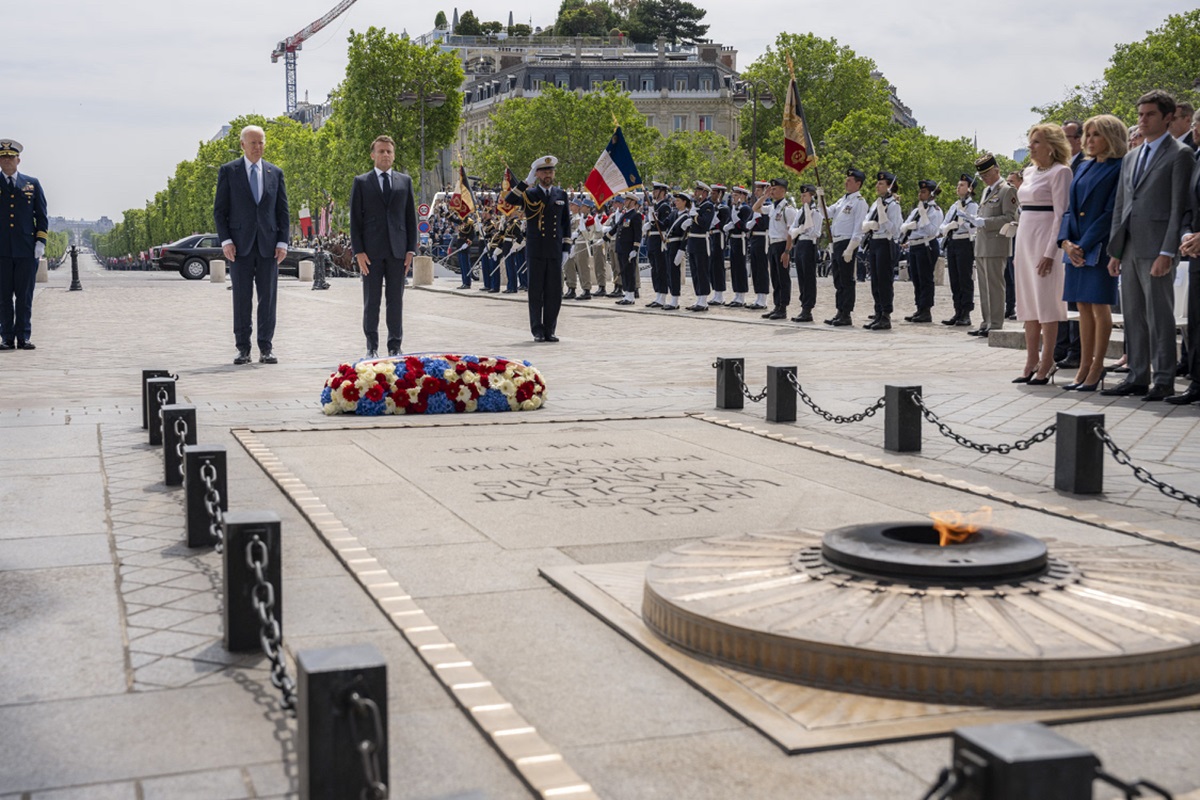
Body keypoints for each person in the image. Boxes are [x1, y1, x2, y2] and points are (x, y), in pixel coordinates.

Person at [1103, 90, 1195, 400]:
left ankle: (1164, 379)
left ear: (1168, 117)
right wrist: (1116, 250)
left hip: (1158, 249)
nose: (1142, 120)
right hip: (1128, 249)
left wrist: (1168, 251)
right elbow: (1120, 206)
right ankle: (1138, 376)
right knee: (1133, 316)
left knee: (1159, 317)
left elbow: (1178, 206)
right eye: (1140, 114)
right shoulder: (1131, 156)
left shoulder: (1180, 154)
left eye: (1150, 114)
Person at [1057, 114, 1126, 391]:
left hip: (1099, 246)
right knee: (1082, 306)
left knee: (1099, 306)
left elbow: (1111, 213)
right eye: (1088, 134)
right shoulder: (1083, 167)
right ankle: (1084, 366)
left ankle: (1097, 367)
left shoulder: (1119, 167)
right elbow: (1069, 209)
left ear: (1111, 137)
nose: (1089, 140)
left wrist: (1083, 244)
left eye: (1096, 134)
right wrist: (1065, 241)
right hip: (1075, 247)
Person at [213, 125, 290, 365]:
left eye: (261, 142)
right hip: (239, 247)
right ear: (242, 145)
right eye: (253, 143)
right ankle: (243, 348)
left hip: (269, 246)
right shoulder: (229, 171)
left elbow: (282, 211)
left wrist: (282, 242)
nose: (258, 147)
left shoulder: (275, 173)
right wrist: (225, 240)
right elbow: (220, 210)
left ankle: (266, 347)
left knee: (268, 299)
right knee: (241, 298)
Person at [1011, 124, 1072, 385]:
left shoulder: (1061, 172)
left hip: (1045, 240)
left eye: (1037, 142)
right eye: (1030, 141)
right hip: (1025, 237)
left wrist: (1051, 251)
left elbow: (1061, 214)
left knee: (1046, 303)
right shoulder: (1028, 171)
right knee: (1027, 303)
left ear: (1052, 145)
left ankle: (1047, 361)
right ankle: (1030, 360)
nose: (1031, 146)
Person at [350, 135, 417, 358]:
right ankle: (371, 346)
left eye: (389, 151)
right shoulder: (361, 182)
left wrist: (410, 250)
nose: (385, 155)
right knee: (372, 301)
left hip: (398, 252)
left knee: (395, 301)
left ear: (393, 155)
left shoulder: (404, 181)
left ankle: (395, 345)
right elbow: (355, 220)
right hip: (371, 253)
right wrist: (358, 251)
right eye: (381, 151)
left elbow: (410, 219)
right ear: (373, 155)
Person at [505, 155, 570, 342]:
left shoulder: (561, 194)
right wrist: (526, 182)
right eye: (544, 172)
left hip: (555, 249)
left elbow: (565, 223)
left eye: (551, 172)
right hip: (536, 249)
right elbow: (510, 199)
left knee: (554, 292)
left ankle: (550, 329)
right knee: (536, 291)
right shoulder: (530, 194)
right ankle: (537, 330)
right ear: (538, 174)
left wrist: (566, 247)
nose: (548, 175)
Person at [0, 139, 47, 351]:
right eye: (3, 157)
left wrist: (40, 242)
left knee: (24, 296)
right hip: (1, 251)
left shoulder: (32, 184)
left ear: (18, 160)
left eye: (10, 157)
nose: (7, 160)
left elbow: (41, 216)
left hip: (26, 250)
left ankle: (24, 337)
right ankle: (7, 338)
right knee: (3, 297)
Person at [967, 153, 1019, 338]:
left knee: (995, 285)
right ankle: (986, 322)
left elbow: (1010, 217)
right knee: (984, 286)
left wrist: (985, 222)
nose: (984, 179)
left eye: (987, 175)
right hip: (982, 244)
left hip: (997, 243)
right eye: (982, 176)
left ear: (997, 170)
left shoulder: (1007, 190)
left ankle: (995, 323)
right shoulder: (986, 191)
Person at [1170, 146, 1200, 405]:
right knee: (1197, 322)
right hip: (1196, 255)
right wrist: (1187, 234)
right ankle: (1197, 383)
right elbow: (1189, 207)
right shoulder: (1197, 158)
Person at [825, 168, 869, 326]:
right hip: (837, 242)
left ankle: (846, 313)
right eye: (846, 179)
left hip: (847, 243)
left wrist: (851, 248)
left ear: (858, 184)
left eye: (850, 180)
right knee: (838, 279)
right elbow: (826, 213)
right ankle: (839, 310)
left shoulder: (860, 202)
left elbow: (859, 228)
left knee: (847, 280)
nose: (846, 182)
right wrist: (819, 198)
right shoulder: (842, 200)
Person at [861, 172, 903, 330]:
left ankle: (886, 315)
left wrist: (883, 220)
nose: (877, 186)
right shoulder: (877, 202)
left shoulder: (893, 205)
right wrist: (869, 224)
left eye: (881, 183)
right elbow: (867, 220)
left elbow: (895, 229)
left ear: (889, 186)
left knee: (885, 281)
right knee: (875, 280)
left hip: (886, 242)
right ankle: (878, 312)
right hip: (875, 242)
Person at [900, 179, 944, 324]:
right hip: (914, 245)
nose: (920, 194)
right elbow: (904, 225)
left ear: (931, 194)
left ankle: (926, 310)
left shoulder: (935, 210)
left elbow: (932, 230)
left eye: (923, 192)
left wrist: (921, 219)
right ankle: (919, 307)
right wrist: (910, 226)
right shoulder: (916, 210)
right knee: (916, 279)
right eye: (920, 191)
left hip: (926, 245)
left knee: (925, 279)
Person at [938, 175, 978, 327]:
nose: (958, 187)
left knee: (964, 278)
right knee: (954, 279)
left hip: (964, 242)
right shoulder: (954, 206)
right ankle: (957, 310)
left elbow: (974, 226)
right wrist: (948, 227)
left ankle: (966, 313)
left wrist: (963, 221)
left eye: (962, 185)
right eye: (958, 184)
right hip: (952, 242)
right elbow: (943, 225)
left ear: (970, 188)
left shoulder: (972, 206)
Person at [756, 178, 798, 320]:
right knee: (774, 277)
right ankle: (776, 305)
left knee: (783, 278)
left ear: (783, 191)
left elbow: (790, 233)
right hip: (772, 244)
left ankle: (783, 307)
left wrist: (787, 251)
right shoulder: (773, 207)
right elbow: (755, 208)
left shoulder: (788, 210)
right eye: (771, 189)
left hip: (782, 245)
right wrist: (764, 196)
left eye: (774, 189)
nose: (772, 191)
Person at [788, 184, 823, 322]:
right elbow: (792, 228)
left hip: (809, 244)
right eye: (801, 195)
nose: (802, 198)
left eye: (805, 195)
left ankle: (808, 309)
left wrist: (803, 229)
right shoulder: (801, 211)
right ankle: (803, 306)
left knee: (808, 278)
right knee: (801, 277)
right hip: (800, 244)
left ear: (812, 196)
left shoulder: (816, 212)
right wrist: (798, 230)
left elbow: (816, 232)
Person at [685, 181, 714, 311]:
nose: (695, 194)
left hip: (702, 242)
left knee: (702, 271)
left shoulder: (708, 206)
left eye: (697, 191)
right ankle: (698, 298)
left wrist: (695, 216)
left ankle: (703, 300)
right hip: (693, 242)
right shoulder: (697, 206)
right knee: (695, 272)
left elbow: (705, 224)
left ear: (704, 193)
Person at [662, 191, 692, 311]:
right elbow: (664, 225)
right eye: (675, 200)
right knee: (669, 272)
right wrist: (652, 218)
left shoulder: (686, 216)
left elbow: (685, 235)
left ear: (685, 202)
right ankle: (672, 298)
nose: (676, 202)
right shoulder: (673, 214)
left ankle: (675, 299)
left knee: (674, 273)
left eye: (678, 201)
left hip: (677, 245)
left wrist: (681, 250)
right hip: (669, 245)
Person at [644, 182, 673, 308]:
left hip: (659, 240)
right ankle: (658, 295)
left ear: (662, 192)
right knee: (654, 269)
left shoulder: (665, 207)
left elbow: (664, 225)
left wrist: (653, 220)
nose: (653, 193)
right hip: (652, 240)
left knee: (661, 269)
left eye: (656, 191)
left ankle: (662, 296)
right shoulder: (655, 206)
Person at [724, 186, 753, 308]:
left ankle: (741, 296)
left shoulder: (745, 209)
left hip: (741, 239)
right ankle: (737, 294)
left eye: (736, 195)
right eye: (733, 195)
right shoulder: (734, 208)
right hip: (734, 239)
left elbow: (744, 226)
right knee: (735, 267)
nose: (733, 198)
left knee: (740, 267)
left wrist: (735, 221)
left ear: (743, 196)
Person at [746, 180, 772, 310]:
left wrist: (757, 220)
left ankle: (763, 298)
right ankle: (758, 296)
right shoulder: (756, 206)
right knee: (755, 269)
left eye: (758, 190)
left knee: (761, 269)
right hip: (755, 238)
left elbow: (766, 224)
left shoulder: (768, 205)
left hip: (763, 238)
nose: (755, 192)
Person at [614, 193, 643, 305]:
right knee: (624, 272)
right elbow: (616, 228)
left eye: (627, 200)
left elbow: (638, 234)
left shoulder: (636, 216)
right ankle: (627, 294)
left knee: (630, 272)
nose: (624, 202)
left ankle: (631, 296)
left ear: (633, 202)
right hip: (621, 248)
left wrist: (635, 249)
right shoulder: (625, 215)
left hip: (629, 249)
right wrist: (605, 238)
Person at [708, 183, 730, 305]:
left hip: (719, 236)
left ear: (720, 194)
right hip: (712, 236)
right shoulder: (713, 207)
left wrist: (715, 215)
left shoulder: (724, 209)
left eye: (714, 193)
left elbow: (723, 226)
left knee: (718, 266)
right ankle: (716, 293)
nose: (712, 195)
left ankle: (720, 294)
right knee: (712, 267)